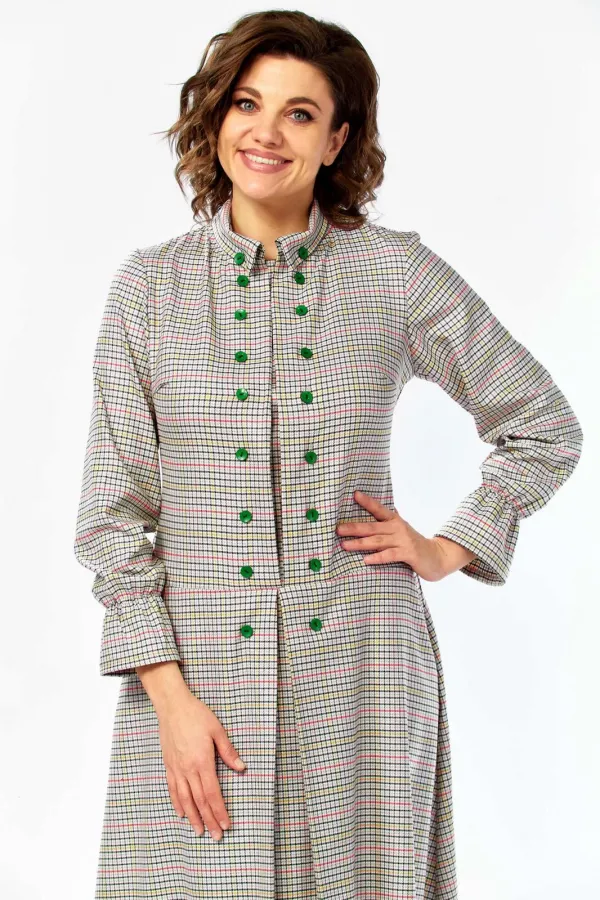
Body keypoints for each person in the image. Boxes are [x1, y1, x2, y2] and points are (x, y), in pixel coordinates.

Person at [73, 9, 583, 899]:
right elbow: (113, 519)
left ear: (337, 139)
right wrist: (168, 697)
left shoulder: (394, 273)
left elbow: (543, 422)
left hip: (364, 670)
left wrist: (450, 545)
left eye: (300, 113)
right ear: (217, 119)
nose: (266, 133)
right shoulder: (148, 291)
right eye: (247, 104)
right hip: (199, 682)